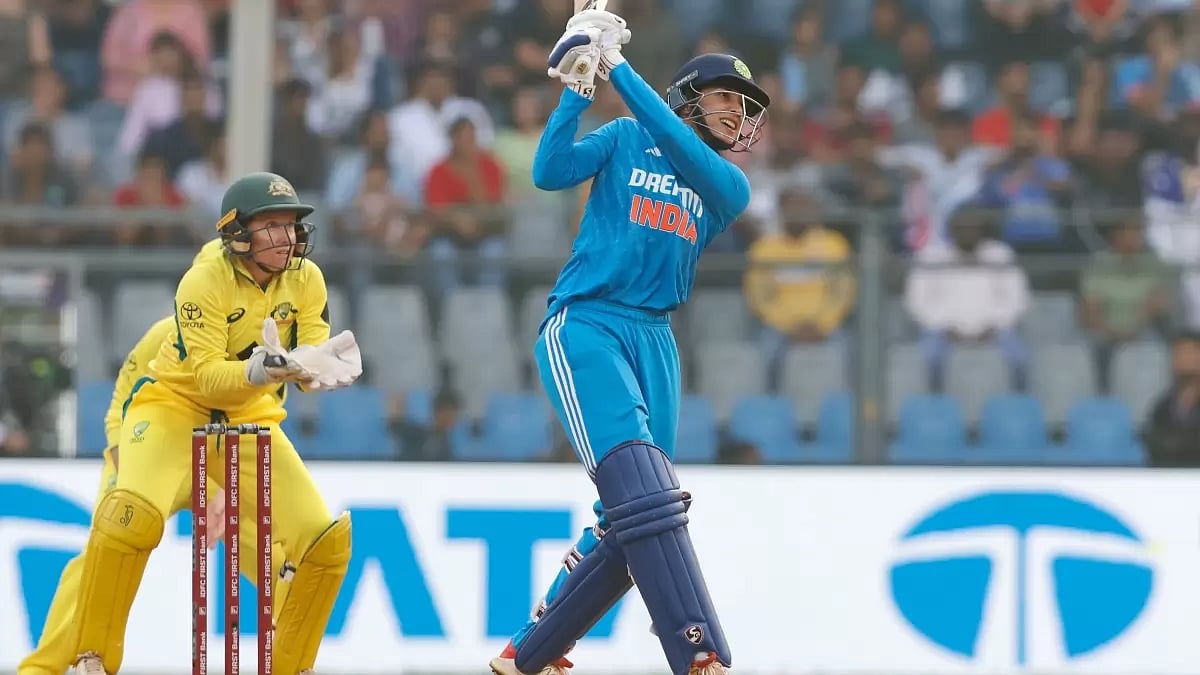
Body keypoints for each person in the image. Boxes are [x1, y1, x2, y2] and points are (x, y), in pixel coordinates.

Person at [489, 10, 769, 675]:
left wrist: (617, 66)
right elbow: (549, 170)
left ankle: (530, 653)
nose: (738, 112)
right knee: (646, 500)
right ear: (688, 96)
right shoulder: (622, 136)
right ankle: (699, 653)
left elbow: (672, 136)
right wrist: (580, 86)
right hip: (587, 323)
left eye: (746, 104)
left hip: (656, 341)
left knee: (635, 516)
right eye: (726, 96)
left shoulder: (725, 183)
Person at [66, 172, 363, 675]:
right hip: (173, 408)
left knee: (325, 542)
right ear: (238, 233)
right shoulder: (203, 281)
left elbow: (310, 346)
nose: (287, 238)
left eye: (290, 225)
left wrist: (315, 369)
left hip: (252, 416)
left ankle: (293, 666)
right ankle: (90, 656)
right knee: (129, 515)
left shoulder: (306, 278)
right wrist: (262, 368)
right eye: (271, 225)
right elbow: (206, 380)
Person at [19, 242, 229, 675]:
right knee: (104, 549)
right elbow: (122, 400)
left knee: (281, 545)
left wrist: (223, 485)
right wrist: (123, 459)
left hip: (215, 463)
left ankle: (296, 659)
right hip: (147, 453)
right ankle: (45, 667)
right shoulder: (165, 334)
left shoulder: (255, 343)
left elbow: (260, 417)